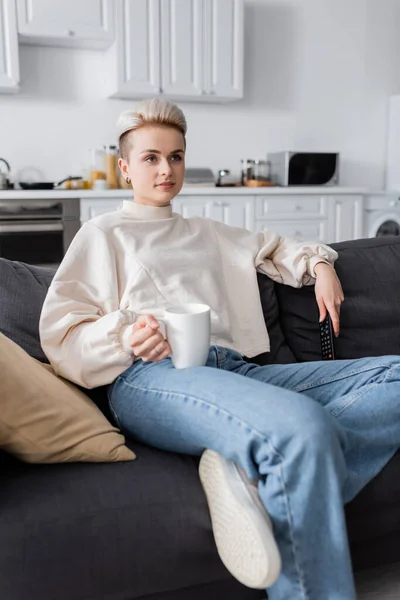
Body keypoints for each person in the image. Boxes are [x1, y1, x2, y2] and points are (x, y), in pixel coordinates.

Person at [39, 99, 400, 600]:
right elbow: (61, 332)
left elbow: (274, 246)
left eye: (177, 156)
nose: (167, 169)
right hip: (152, 375)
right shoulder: (102, 235)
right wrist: (122, 335)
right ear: (124, 166)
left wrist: (319, 266)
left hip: (239, 373)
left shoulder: (209, 231)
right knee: (301, 428)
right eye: (150, 158)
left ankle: (258, 482)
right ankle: (277, 469)